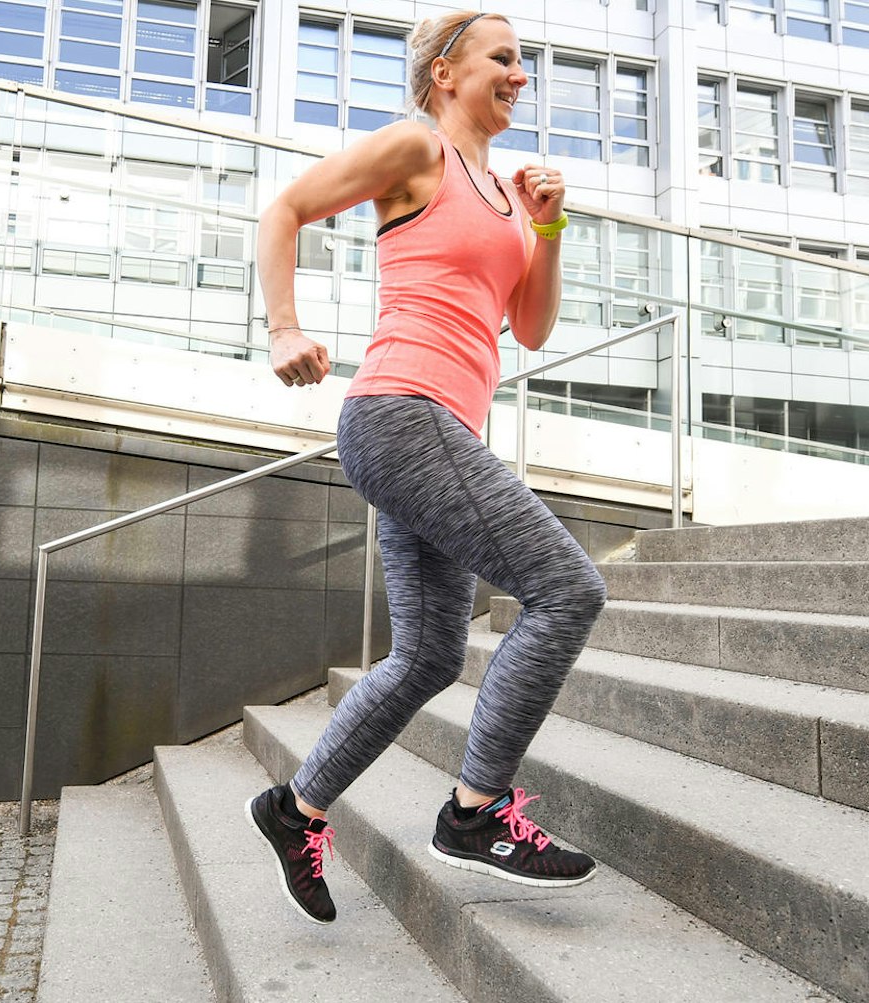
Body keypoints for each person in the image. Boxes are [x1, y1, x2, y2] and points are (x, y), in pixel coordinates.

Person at [246, 10, 608, 924]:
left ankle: (298, 808)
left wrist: (551, 227)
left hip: (437, 433)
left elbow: (527, 327)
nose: (520, 76)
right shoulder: (418, 151)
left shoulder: (504, 193)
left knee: (429, 655)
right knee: (568, 591)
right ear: (446, 73)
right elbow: (285, 208)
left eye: (525, 64)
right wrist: (284, 327)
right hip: (403, 413)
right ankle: (477, 810)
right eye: (504, 60)